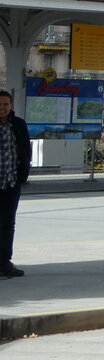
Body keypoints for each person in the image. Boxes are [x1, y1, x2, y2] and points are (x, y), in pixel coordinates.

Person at [0, 89, 32, 277]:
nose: (2, 108)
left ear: (11, 106)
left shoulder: (19, 125)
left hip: (11, 183)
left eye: (5, 104)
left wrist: (23, 176)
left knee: (7, 224)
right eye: (0, 104)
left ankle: (4, 262)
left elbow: (25, 150)